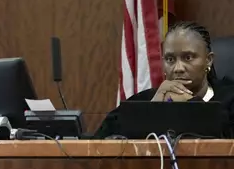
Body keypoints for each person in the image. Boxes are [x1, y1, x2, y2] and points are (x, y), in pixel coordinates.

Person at [95, 21, 234, 138]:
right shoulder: (145, 100)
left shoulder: (229, 99)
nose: (178, 68)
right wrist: (152, 110)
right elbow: (100, 141)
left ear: (208, 60)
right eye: (170, 59)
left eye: (188, 58)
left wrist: (191, 105)